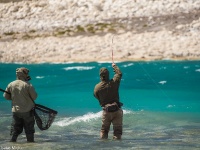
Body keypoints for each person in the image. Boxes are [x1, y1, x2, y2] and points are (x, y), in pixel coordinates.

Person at [3, 67, 37, 142]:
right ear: (25, 74)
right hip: (27, 111)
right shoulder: (28, 85)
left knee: (15, 129)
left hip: (16, 111)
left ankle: (12, 143)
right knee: (29, 130)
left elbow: (6, 96)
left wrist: (15, 98)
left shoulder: (11, 84)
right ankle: (30, 145)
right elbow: (34, 97)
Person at [94, 63, 123, 140]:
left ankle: (103, 146)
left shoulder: (97, 87)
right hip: (117, 110)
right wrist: (114, 66)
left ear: (100, 76)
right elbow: (119, 73)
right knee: (117, 132)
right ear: (108, 75)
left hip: (106, 111)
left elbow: (95, 95)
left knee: (104, 131)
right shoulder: (114, 82)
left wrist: (103, 101)